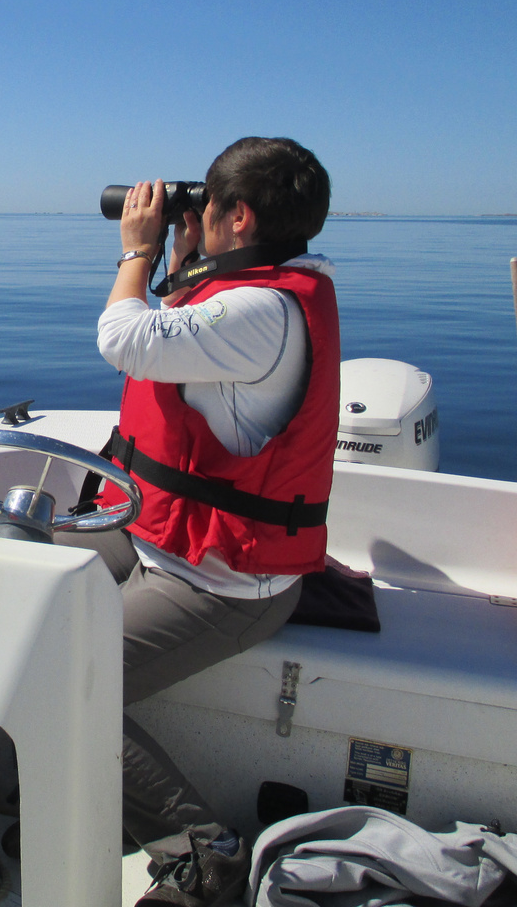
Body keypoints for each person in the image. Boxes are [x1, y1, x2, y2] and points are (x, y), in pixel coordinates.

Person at [94, 136, 339, 907]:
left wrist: (137, 248)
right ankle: (66, 792)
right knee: (15, 563)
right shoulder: (253, 295)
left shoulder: (261, 311)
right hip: (166, 540)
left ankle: (203, 852)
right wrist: (183, 258)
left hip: (222, 584)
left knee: (63, 679)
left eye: (205, 208)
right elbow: (173, 342)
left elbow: (123, 340)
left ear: (239, 215)